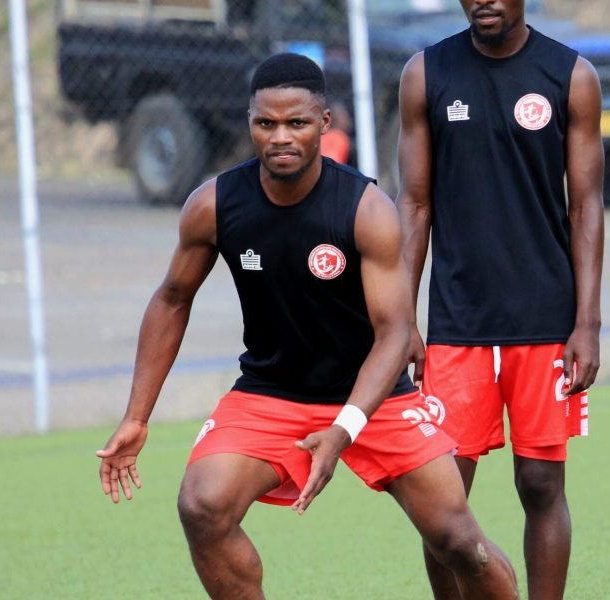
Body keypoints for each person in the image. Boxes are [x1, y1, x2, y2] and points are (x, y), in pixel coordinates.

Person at [95, 53, 518, 600]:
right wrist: (136, 416)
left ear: (324, 123)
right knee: (202, 505)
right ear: (249, 123)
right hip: (272, 393)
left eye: (296, 122)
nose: (280, 137)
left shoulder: (366, 209)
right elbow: (172, 299)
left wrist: (344, 429)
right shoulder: (214, 205)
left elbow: (394, 333)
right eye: (265, 123)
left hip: (375, 397)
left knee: (457, 540)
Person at [396, 1, 605, 597]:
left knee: (541, 485)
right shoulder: (426, 74)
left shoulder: (570, 76)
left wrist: (587, 322)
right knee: (441, 500)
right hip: (456, 322)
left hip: (544, 318)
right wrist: (403, 318)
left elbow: (586, 206)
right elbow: (412, 205)